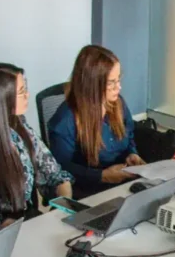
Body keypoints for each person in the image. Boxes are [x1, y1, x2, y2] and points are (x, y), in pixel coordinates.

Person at [0, 63, 73, 238]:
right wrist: (21, 229)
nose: (27, 95)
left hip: (30, 223)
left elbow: (55, 176)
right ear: (0, 99)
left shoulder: (20, 127)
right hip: (0, 237)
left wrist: (64, 206)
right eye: (21, 92)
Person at [48, 46, 146, 198]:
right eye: (111, 83)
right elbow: (61, 169)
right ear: (92, 84)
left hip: (122, 183)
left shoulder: (117, 103)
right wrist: (102, 176)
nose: (119, 87)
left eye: (119, 79)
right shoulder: (65, 120)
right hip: (88, 190)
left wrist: (131, 153)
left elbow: (129, 134)